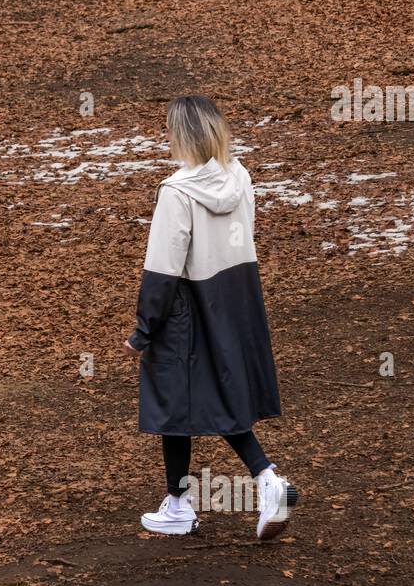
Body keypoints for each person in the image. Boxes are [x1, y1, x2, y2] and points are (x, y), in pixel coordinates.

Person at [122, 96, 297, 540]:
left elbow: (163, 267)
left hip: (185, 309)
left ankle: (258, 481)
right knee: (203, 398)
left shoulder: (176, 193)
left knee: (173, 399)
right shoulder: (239, 176)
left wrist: (144, 330)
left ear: (180, 135)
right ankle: (190, 499)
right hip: (234, 298)